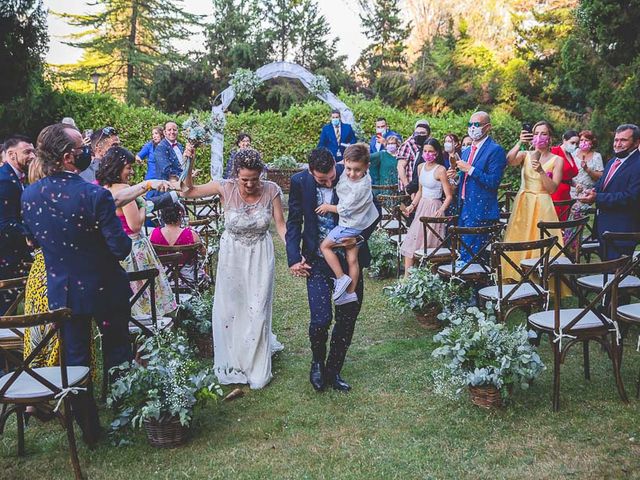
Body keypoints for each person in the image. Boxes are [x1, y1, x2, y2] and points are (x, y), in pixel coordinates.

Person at [21, 123, 133, 443]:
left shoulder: (29, 195)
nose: (87, 152)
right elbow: (121, 248)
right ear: (70, 158)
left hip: (63, 290)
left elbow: (33, 240)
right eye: (82, 148)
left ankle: (90, 430)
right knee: (117, 351)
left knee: (75, 360)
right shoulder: (93, 194)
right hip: (105, 287)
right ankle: (124, 414)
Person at [180, 148, 286, 389]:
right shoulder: (224, 187)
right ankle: (235, 359)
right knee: (232, 308)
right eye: (244, 179)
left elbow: (281, 226)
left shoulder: (271, 190)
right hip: (232, 255)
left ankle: (256, 364)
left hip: (260, 253)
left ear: (261, 174)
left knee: (258, 307)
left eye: (254, 179)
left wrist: (294, 252)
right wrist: (190, 159)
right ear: (235, 174)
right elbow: (188, 191)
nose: (249, 184)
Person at [286, 148, 379, 393]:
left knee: (347, 318)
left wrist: (358, 239)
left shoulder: (350, 173)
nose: (330, 182)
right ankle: (317, 363)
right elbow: (294, 220)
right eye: (322, 180)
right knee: (321, 319)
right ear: (310, 171)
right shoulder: (299, 182)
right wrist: (294, 258)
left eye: (331, 177)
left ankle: (333, 369)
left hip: (349, 258)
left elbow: (374, 211)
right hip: (317, 261)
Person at [97, 146, 177, 318]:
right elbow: (135, 225)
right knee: (144, 294)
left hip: (113, 249)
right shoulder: (123, 190)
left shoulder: (101, 188)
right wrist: (145, 207)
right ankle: (150, 327)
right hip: (134, 248)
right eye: (128, 168)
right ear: (117, 167)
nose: (131, 172)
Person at [318, 144, 378, 305]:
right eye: (349, 168)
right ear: (345, 161)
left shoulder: (361, 187)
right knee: (352, 258)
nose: (351, 173)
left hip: (349, 224)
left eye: (357, 170)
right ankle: (350, 293)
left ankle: (341, 278)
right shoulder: (349, 169)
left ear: (366, 166)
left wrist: (327, 207)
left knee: (325, 246)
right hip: (356, 223)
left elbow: (345, 208)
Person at [502, 121, 564, 278]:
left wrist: (542, 172)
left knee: (540, 241)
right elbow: (509, 161)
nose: (539, 137)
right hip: (524, 203)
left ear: (550, 137)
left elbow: (552, 189)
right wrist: (520, 142)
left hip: (543, 204)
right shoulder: (525, 155)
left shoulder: (557, 160)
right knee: (519, 237)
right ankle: (516, 276)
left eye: (544, 133)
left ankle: (540, 280)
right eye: (536, 133)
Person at [446, 111, 507, 261]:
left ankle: (475, 283)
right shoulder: (466, 152)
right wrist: (455, 178)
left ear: (488, 127)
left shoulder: (495, 150)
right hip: (464, 207)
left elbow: (493, 182)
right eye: (470, 124)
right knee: (463, 251)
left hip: (481, 210)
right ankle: (462, 282)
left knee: (473, 257)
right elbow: (465, 179)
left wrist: (470, 169)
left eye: (477, 124)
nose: (472, 128)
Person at [578, 124, 640, 259]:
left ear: (636, 142)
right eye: (616, 140)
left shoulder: (638, 164)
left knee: (617, 276)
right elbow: (602, 185)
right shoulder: (612, 161)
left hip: (622, 232)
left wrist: (597, 198)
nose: (617, 144)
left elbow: (632, 197)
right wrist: (591, 191)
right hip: (604, 229)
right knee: (606, 274)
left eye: (623, 140)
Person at [400, 139, 454, 274]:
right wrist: (412, 205)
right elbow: (420, 190)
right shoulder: (420, 167)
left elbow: (448, 196)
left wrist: (441, 209)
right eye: (425, 151)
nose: (427, 154)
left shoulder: (440, 170)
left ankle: (429, 277)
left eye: (431, 151)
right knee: (411, 240)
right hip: (422, 206)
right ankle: (407, 278)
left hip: (434, 207)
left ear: (436, 153)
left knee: (430, 244)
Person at [0, 135, 35, 313]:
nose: (33, 156)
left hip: (13, 255)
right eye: (27, 152)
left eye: (33, 151)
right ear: (12, 155)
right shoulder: (5, 180)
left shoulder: (18, 178)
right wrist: (31, 235)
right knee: (6, 310)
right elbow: (5, 223)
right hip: (7, 257)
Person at [150, 203, 206, 284]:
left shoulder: (154, 234)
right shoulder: (191, 234)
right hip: (188, 278)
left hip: (164, 279)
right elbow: (204, 253)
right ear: (180, 215)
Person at [550, 130, 580, 221]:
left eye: (576, 143)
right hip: (556, 192)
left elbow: (567, 176)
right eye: (572, 142)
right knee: (555, 221)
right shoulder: (555, 151)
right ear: (564, 140)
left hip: (566, 193)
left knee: (564, 221)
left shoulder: (570, 155)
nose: (574, 145)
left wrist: (575, 184)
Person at [153, 120, 194, 185]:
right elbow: (166, 169)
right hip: (167, 186)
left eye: (174, 130)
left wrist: (190, 171)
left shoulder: (180, 145)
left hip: (182, 183)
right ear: (164, 132)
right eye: (169, 130)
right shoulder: (160, 147)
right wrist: (184, 175)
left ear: (177, 131)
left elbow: (182, 163)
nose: (172, 132)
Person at [398, 120, 430, 192]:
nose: (419, 135)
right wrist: (407, 187)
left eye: (422, 133)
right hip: (410, 186)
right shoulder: (408, 145)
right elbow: (400, 167)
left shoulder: (428, 144)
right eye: (417, 133)